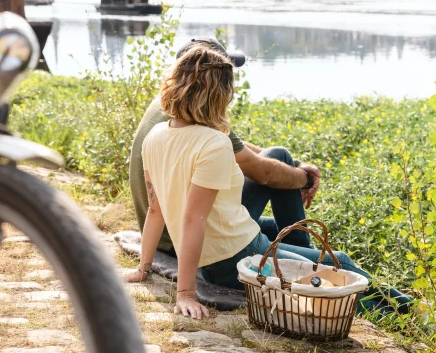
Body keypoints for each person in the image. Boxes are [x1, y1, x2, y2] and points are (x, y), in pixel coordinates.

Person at [124, 41, 413, 319]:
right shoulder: (213, 143)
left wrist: (143, 268)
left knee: (323, 259)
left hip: (228, 248)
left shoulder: (156, 136)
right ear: (218, 95)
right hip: (237, 254)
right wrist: (186, 293)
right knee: (338, 265)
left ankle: (403, 308)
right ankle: (408, 312)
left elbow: (155, 210)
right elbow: (193, 220)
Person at [129, 37, 321, 254]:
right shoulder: (197, 114)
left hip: (164, 232)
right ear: (208, 80)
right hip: (186, 236)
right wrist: (304, 178)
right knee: (279, 160)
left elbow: (236, 146)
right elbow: (264, 173)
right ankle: (303, 255)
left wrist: (296, 164)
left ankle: (299, 249)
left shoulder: (173, 103)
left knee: (276, 220)